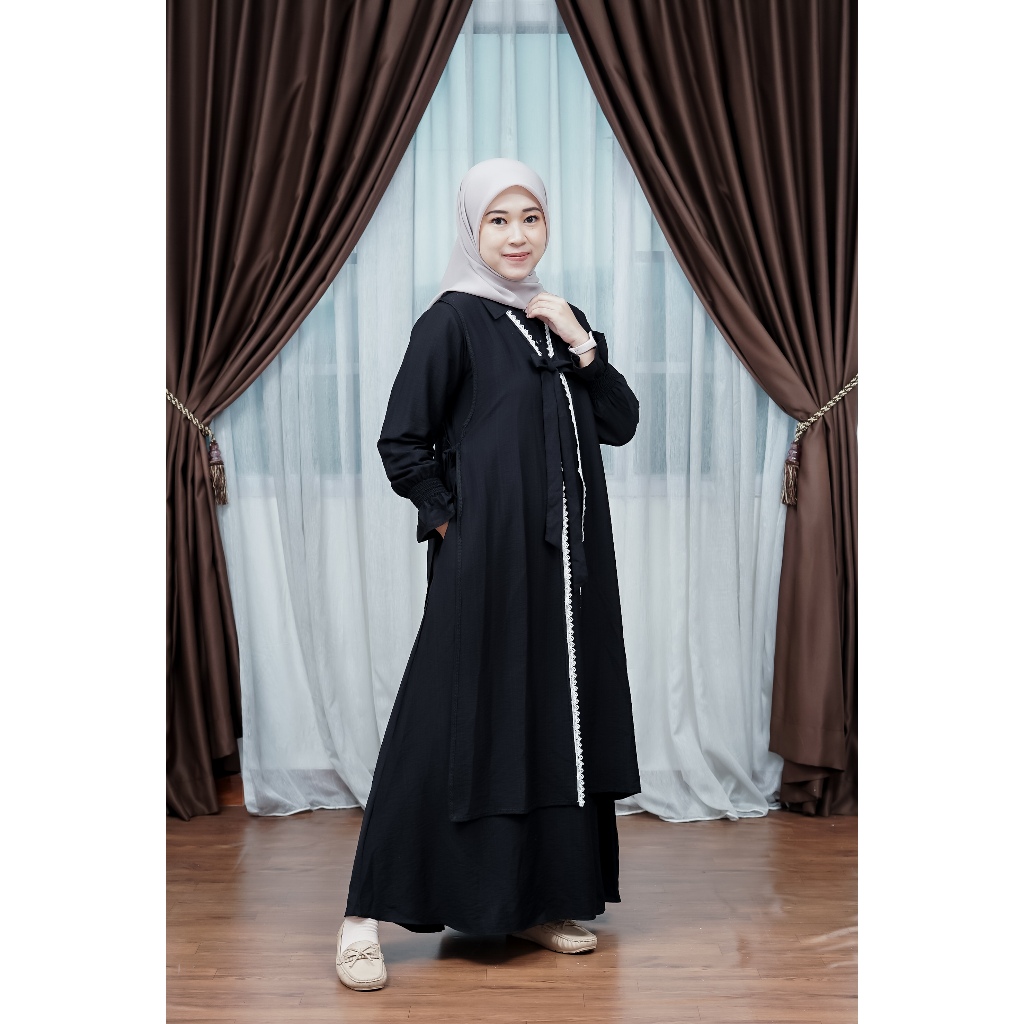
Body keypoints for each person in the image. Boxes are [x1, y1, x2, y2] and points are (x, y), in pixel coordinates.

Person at [336, 158, 642, 992]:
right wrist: (454, 525)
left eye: (530, 218)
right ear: (473, 230)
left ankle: (533, 901)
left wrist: (582, 342)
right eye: (498, 220)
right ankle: (362, 917)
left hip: (568, 570)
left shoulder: (559, 320)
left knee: (548, 723)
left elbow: (619, 422)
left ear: (548, 227)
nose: (516, 236)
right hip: (485, 565)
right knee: (439, 727)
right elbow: (403, 442)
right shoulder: (450, 321)